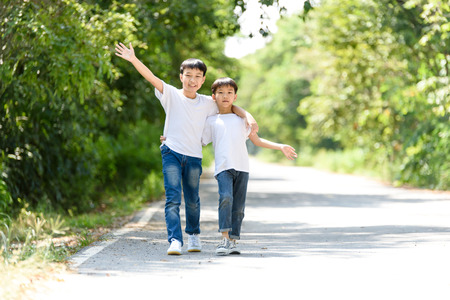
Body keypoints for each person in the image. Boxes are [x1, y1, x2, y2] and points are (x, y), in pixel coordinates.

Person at [114, 43, 258, 255]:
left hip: (193, 157)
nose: (193, 80)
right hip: (171, 152)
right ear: (181, 76)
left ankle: (193, 235)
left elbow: (229, 106)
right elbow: (151, 77)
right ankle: (174, 240)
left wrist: (248, 116)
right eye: (188, 75)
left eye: (198, 76)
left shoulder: (208, 103)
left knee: (192, 200)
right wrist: (133, 59)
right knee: (172, 198)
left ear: (203, 80)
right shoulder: (171, 94)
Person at [201, 77, 297, 256]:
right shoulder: (211, 121)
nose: (225, 96)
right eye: (220, 93)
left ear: (235, 97)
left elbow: (257, 140)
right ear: (213, 97)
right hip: (223, 168)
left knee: (238, 207)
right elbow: (199, 140)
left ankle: (233, 240)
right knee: (225, 198)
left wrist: (280, 146)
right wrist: (172, 139)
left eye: (229, 93)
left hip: (242, 168)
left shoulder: (241, 120)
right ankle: (223, 239)